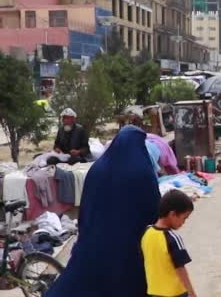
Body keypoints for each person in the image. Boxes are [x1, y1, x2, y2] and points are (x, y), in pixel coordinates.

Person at [45, 126, 161, 296]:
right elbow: (153, 207)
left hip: (97, 236)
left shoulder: (97, 168)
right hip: (129, 240)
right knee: (127, 281)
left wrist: (84, 231)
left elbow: (86, 204)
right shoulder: (142, 171)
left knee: (87, 280)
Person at [141, 190, 196, 297]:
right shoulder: (172, 238)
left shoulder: (146, 233)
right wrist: (191, 293)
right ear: (173, 214)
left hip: (155, 292)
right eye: (184, 218)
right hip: (175, 293)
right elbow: (180, 268)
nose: (183, 223)